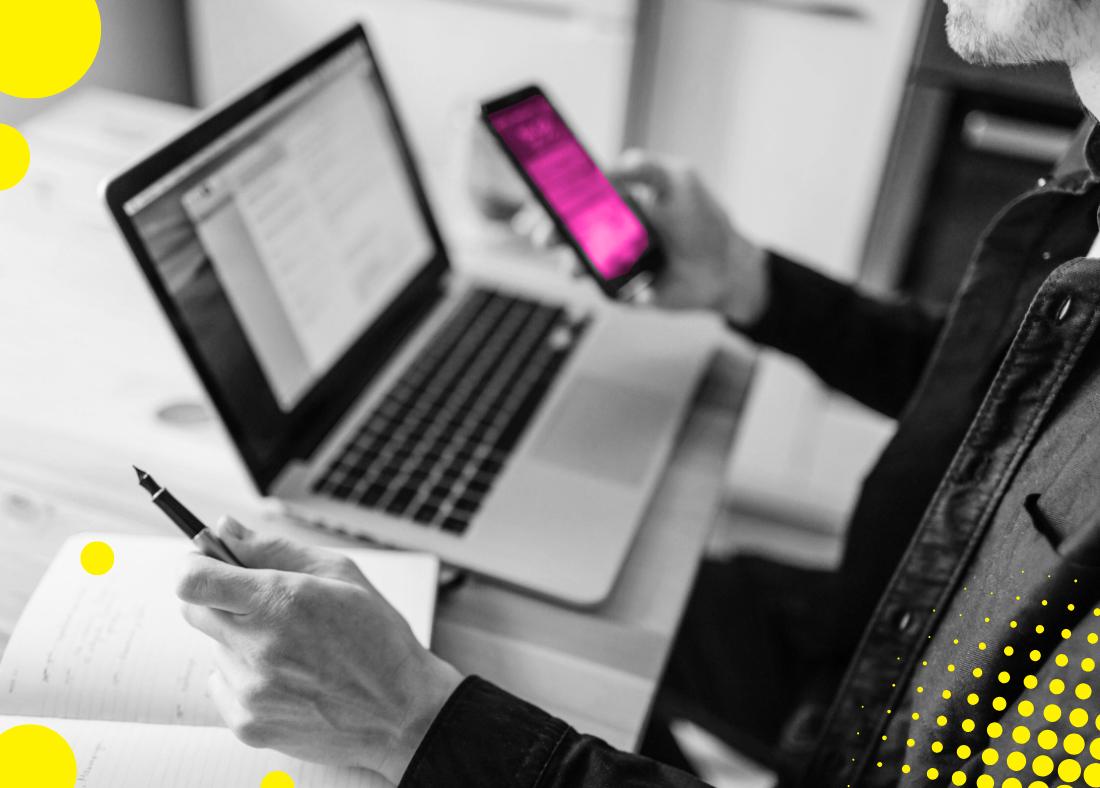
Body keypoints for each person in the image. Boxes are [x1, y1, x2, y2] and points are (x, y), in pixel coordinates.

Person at [174, 0, 1100, 785]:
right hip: (876, 614)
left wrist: (414, 723)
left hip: (870, 726)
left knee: (520, 657)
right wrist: (751, 282)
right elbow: (1016, 389)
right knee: (543, 601)